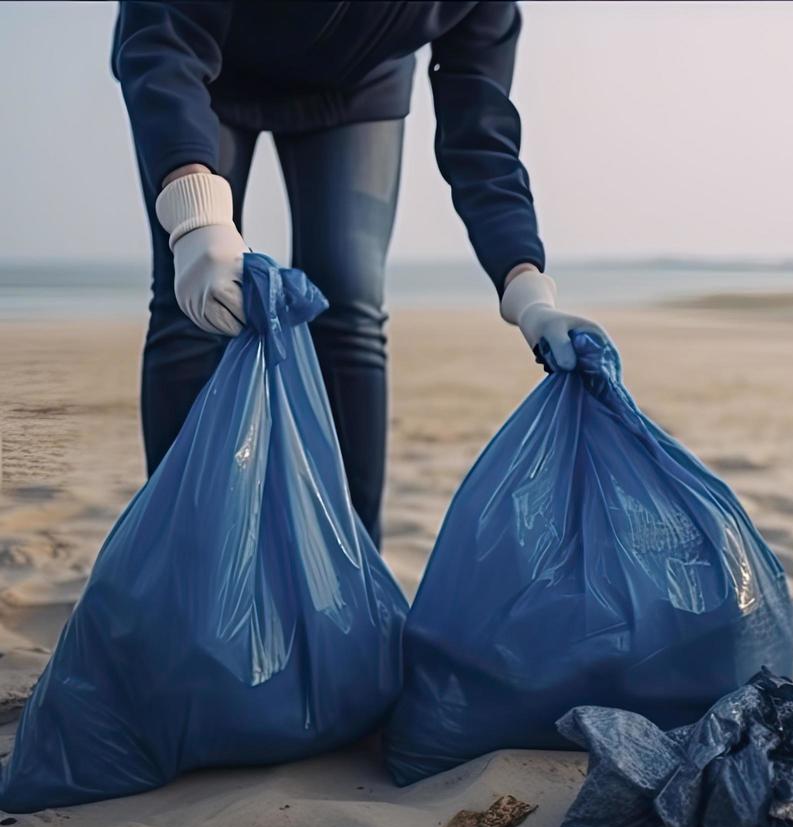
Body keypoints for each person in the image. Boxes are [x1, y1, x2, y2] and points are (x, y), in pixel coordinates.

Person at [112, 1, 606, 543]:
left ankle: (352, 556)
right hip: (205, 67)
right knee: (194, 311)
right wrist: (195, 215)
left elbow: (481, 137)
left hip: (356, 90)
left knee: (349, 306)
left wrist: (527, 288)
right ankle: (178, 555)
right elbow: (162, 32)